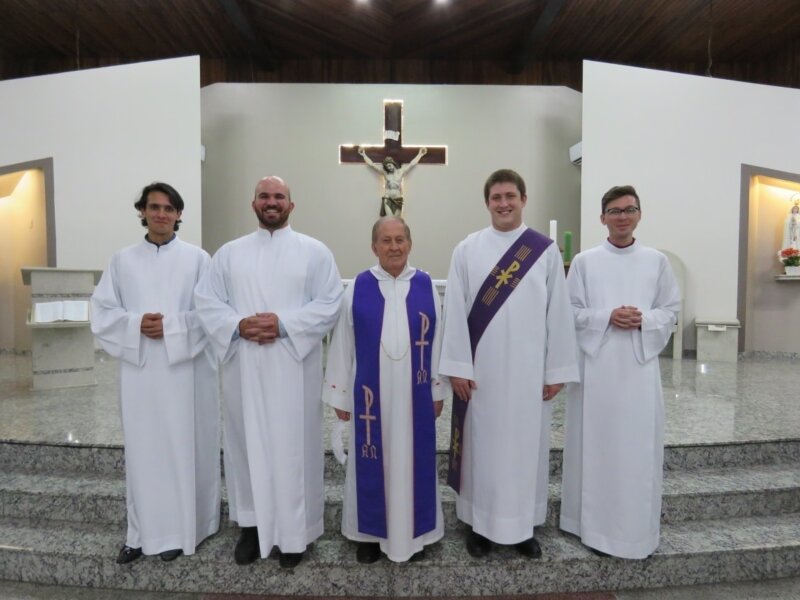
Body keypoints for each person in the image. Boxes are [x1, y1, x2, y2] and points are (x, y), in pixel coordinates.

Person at [194, 176, 343, 569]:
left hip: (294, 367)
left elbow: (330, 303)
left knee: (294, 446)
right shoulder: (228, 254)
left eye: (279, 197)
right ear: (253, 203)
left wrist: (284, 324)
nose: (271, 202)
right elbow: (207, 302)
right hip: (244, 366)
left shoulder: (315, 252)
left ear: (292, 205)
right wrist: (239, 325)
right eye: (265, 196)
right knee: (246, 444)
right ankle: (252, 526)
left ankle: (296, 534)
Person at [439, 168, 578, 559]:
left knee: (524, 448)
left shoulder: (544, 250)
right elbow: (454, 313)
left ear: (523, 199)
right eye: (496, 197)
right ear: (487, 203)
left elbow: (559, 314)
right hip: (481, 375)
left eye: (510, 197)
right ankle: (479, 526)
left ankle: (521, 528)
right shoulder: (467, 249)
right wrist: (458, 368)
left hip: (528, 375)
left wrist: (556, 371)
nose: (503, 204)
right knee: (482, 449)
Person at [90, 182, 220, 565]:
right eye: (153, 207)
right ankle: (140, 532)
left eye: (168, 208)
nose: (161, 214)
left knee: (183, 446)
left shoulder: (199, 260)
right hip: (141, 373)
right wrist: (134, 325)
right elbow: (102, 313)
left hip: (186, 373)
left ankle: (184, 531)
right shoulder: (122, 261)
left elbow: (212, 313)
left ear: (179, 215)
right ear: (142, 212)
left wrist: (174, 328)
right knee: (145, 453)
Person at [559, 185, 680, 559]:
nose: (622, 217)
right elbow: (570, 312)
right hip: (597, 371)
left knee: (636, 449)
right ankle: (590, 527)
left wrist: (644, 319)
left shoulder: (656, 261)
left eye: (629, 209)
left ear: (639, 214)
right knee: (596, 445)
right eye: (614, 211)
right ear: (602, 218)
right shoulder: (584, 262)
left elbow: (671, 309)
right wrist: (606, 316)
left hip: (638, 372)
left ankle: (633, 531)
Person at [323, 216, 449, 564]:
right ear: (374, 246)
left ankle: (417, 534)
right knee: (371, 458)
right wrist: (340, 396)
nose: (394, 247)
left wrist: (437, 389)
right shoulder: (359, 286)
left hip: (415, 392)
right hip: (370, 397)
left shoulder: (425, 285)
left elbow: (437, 341)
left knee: (414, 459)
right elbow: (342, 344)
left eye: (400, 240)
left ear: (410, 243)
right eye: (386, 240)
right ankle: (368, 534)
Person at [358, 146, 427, 217]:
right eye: (387, 167)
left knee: (397, 219)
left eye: (390, 165)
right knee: (389, 218)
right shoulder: (385, 173)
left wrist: (420, 154)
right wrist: (364, 155)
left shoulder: (400, 172)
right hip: (388, 198)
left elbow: (411, 164)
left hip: (398, 198)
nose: (389, 167)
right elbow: (372, 165)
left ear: (393, 164)